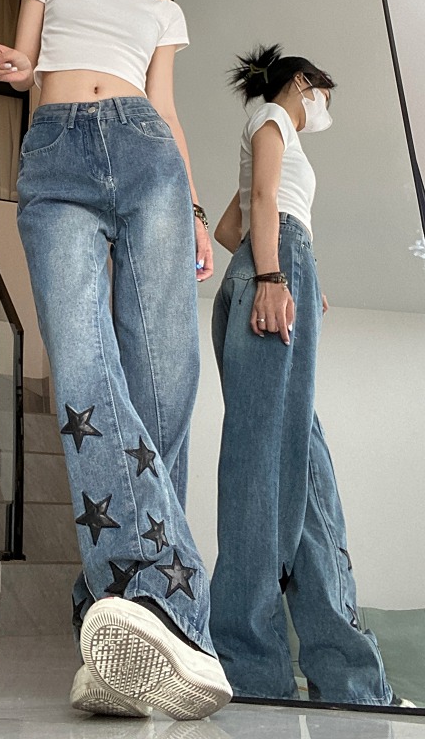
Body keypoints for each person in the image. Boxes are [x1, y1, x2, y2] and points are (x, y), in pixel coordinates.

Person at [0, 0, 231, 721]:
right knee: (81, 368)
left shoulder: (162, 8)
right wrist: (15, 67)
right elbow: (27, 64)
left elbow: (166, 109)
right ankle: (166, 605)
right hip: (56, 153)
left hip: (149, 156)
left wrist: (196, 209)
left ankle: (115, 611)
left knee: (166, 383)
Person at [209, 44, 397, 705]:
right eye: (324, 94)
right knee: (263, 468)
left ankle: (349, 682)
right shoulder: (272, 118)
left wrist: (290, 272)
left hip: (277, 262)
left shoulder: (272, 130)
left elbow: (231, 224)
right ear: (302, 83)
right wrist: (274, 272)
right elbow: (264, 198)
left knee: (303, 468)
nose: (324, 109)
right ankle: (250, 670)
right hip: (275, 264)